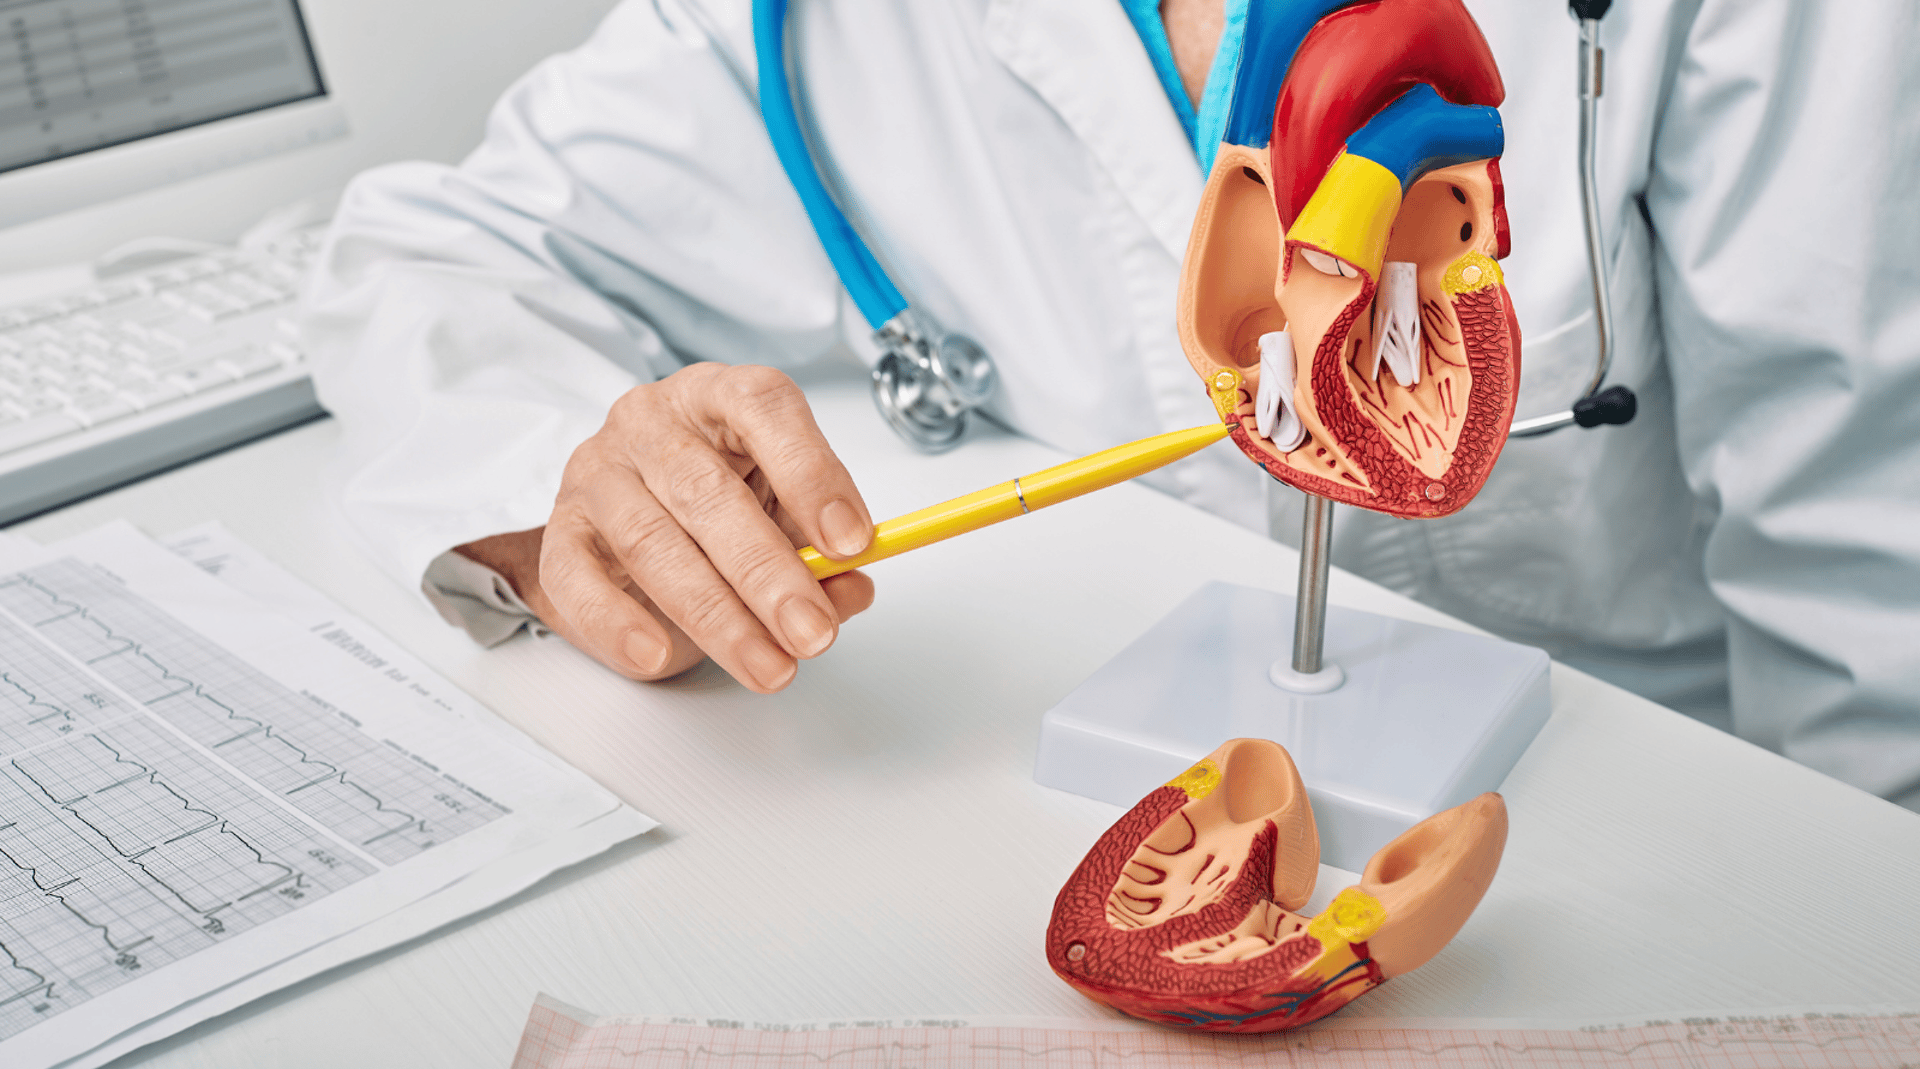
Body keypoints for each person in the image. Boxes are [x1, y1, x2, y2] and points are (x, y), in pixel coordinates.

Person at [304, 0, 1920, 810]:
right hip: (1108, 791)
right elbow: (428, 254)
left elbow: (1871, 574)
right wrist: (580, 478)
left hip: (1645, 792)